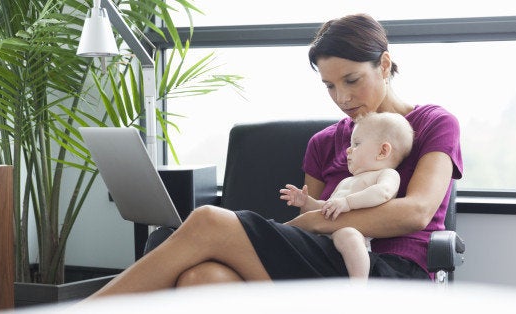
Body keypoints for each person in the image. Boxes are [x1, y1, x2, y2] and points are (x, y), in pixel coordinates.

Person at [88, 13, 462, 298]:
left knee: (207, 221)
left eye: (351, 80)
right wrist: (309, 222)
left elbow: (416, 212)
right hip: (325, 258)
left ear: (383, 65)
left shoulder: (434, 123)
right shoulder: (324, 142)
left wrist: (314, 223)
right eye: (329, 86)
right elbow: (307, 218)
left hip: (392, 270)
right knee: (202, 279)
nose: (342, 98)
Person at [280, 111, 414, 279]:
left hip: (352, 234)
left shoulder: (387, 174)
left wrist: (348, 203)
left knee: (347, 234)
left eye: (356, 144)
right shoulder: (346, 182)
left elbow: (383, 193)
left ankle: (358, 284)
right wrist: (307, 202)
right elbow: (327, 208)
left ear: (383, 151)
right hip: (325, 239)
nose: (348, 150)